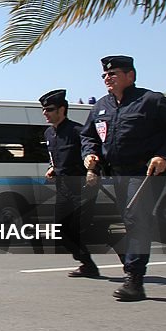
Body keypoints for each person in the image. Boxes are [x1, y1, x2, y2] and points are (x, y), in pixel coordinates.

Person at [79, 55, 166, 302]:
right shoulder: (101, 106)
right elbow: (88, 136)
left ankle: (134, 281)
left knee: (136, 220)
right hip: (115, 174)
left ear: (130, 76)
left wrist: (164, 156)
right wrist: (89, 154)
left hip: (145, 173)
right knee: (138, 219)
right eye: (104, 75)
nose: (107, 78)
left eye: (113, 74)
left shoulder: (151, 101)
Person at [39, 89, 99, 278]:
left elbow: (92, 153)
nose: (45, 113)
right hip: (63, 188)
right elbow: (55, 157)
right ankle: (87, 263)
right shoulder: (49, 133)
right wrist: (52, 168)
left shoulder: (78, 131)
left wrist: (91, 171)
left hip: (82, 188)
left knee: (80, 229)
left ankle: (128, 262)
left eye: (49, 109)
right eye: (44, 110)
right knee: (61, 230)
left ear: (62, 109)